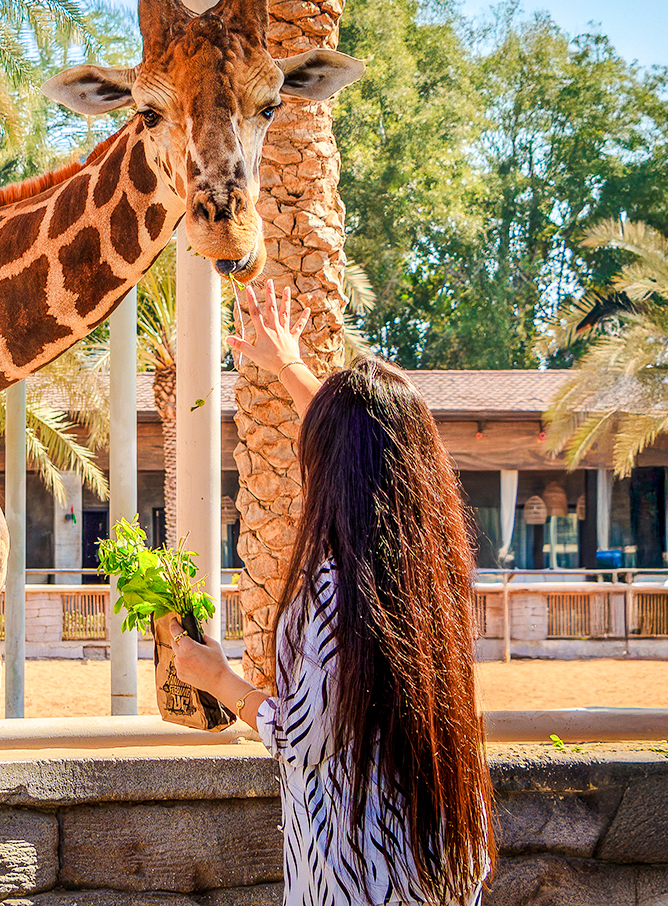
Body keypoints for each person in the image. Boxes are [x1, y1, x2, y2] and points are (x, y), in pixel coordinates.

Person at [167, 280, 494, 906]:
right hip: (434, 862)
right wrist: (289, 364)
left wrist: (217, 679)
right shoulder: (430, 573)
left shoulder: (331, 592)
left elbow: (301, 737)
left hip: (355, 875)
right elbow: (378, 446)